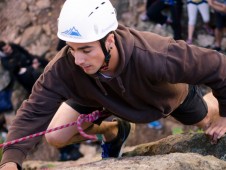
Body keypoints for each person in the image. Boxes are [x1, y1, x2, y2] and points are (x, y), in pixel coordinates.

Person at [1, 0, 226, 169]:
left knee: (207, 122)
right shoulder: (67, 65)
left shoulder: (155, 53)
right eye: (72, 48)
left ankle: (210, 104)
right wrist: (11, 160)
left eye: (86, 49)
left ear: (109, 40)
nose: (77, 60)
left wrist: (225, 114)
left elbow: (219, 67)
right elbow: (34, 109)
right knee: (55, 136)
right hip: (100, 98)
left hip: (166, 97)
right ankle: (115, 131)